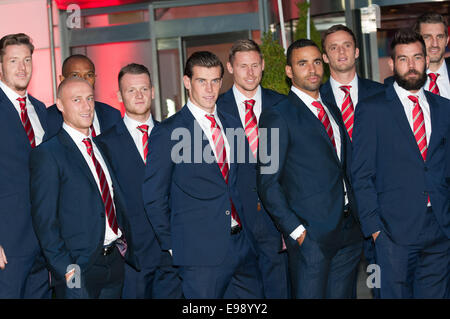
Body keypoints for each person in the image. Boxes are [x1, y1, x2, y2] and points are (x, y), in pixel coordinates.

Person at [142, 51, 264, 299]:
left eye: (215, 81)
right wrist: (174, 246)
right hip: (198, 255)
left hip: (242, 246)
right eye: (201, 81)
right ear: (187, 82)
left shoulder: (231, 123)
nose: (210, 89)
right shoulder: (169, 132)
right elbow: (154, 196)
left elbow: (244, 181)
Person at [257, 39, 363, 299]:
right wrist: (298, 233)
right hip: (311, 238)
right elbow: (267, 183)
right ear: (289, 71)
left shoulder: (332, 110)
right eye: (302, 63)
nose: (312, 69)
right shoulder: (275, 115)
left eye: (316, 61)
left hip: (349, 233)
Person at [351, 29, 450, 298]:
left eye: (417, 57)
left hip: (439, 228)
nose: (411, 65)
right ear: (392, 64)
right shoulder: (372, 109)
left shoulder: (444, 108)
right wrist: (375, 231)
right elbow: (361, 174)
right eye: (403, 59)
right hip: (392, 233)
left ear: (426, 61)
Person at [29, 77, 139, 298]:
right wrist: (69, 274)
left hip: (113, 264)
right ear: (60, 105)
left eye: (90, 98)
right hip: (77, 269)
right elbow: (45, 224)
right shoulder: (48, 154)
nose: (87, 106)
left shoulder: (102, 147)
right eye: (77, 100)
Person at [95, 63, 183, 299]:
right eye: (131, 90)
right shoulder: (104, 144)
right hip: (133, 257)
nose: (139, 95)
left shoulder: (175, 136)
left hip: (174, 251)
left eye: (144, 89)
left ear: (153, 91)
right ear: (119, 96)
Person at [216, 39, 290, 299]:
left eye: (255, 65)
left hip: (275, 218)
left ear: (263, 65)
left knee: (279, 288)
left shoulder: (282, 105)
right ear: (230, 68)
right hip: (235, 219)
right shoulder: (215, 109)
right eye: (243, 66)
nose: (250, 72)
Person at [319, 24, 383, 298]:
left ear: (357, 51)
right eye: (333, 47)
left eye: (346, 45)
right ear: (325, 57)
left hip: (380, 207)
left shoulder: (382, 94)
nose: (340, 51)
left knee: (382, 284)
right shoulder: (314, 99)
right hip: (336, 215)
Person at [0, 33, 51, 299]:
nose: (22, 68)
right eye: (13, 61)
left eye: (27, 60)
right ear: (0, 66)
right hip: (7, 243)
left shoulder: (41, 110)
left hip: (43, 243)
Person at [46, 54, 121, 138]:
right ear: (62, 79)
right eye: (75, 75)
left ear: (95, 78)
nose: (83, 80)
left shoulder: (112, 115)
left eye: (89, 75)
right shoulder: (47, 118)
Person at [384, 13, 449, 99]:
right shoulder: (391, 86)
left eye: (440, 37)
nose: (435, 44)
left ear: (447, 40)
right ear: (417, 41)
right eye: (427, 37)